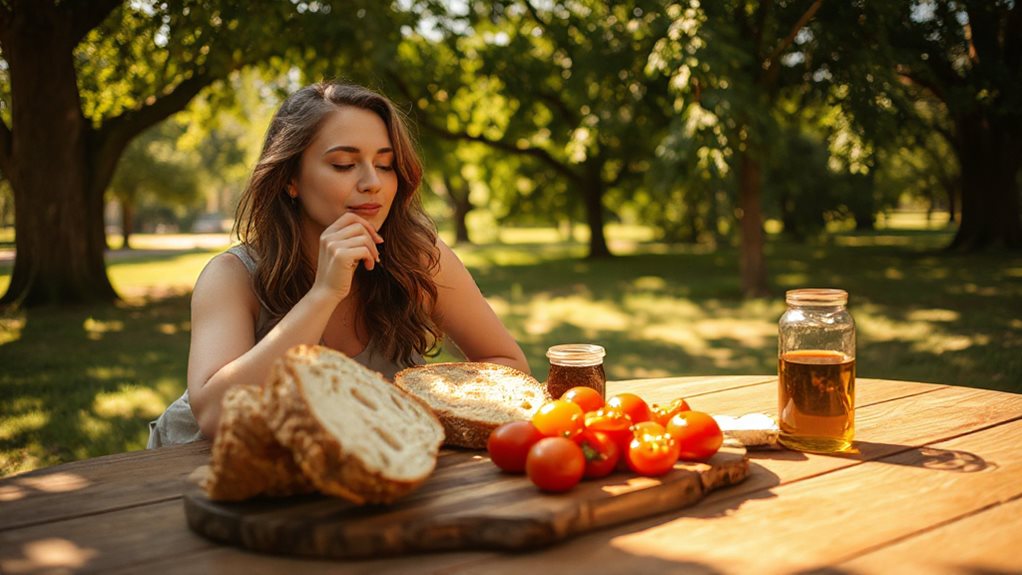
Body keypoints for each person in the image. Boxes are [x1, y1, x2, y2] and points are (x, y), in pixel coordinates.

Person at [148, 81, 529, 447]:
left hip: (355, 471)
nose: (372, 183)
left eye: (385, 164)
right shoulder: (232, 276)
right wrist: (324, 294)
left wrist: (408, 414)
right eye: (345, 164)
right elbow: (217, 415)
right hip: (190, 476)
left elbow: (508, 365)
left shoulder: (420, 257)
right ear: (290, 179)